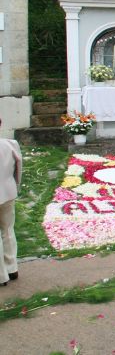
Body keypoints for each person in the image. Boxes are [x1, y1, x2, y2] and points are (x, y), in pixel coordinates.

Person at [0, 120, 21, 286]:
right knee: (8, 229)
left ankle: (2, 275)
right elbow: (18, 168)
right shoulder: (10, 145)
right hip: (8, 192)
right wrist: (16, 186)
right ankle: (12, 267)